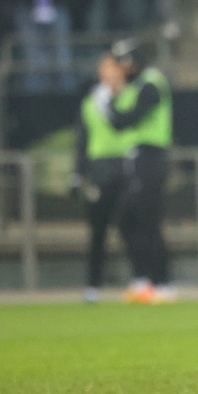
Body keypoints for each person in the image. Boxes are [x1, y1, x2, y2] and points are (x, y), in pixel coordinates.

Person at [104, 39, 175, 303]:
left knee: (149, 221)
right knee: (128, 218)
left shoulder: (151, 82)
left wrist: (111, 102)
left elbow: (129, 119)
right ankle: (144, 279)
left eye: (125, 62)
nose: (123, 68)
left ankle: (162, 283)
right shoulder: (137, 85)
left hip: (151, 157)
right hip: (137, 158)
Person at [75, 53, 142, 302]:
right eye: (104, 70)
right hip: (99, 169)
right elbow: (82, 139)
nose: (109, 75)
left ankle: (140, 280)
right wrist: (78, 173)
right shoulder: (91, 102)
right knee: (97, 231)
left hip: (126, 167)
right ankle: (92, 286)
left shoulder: (132, 96)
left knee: (130, 226)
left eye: (113, 69)